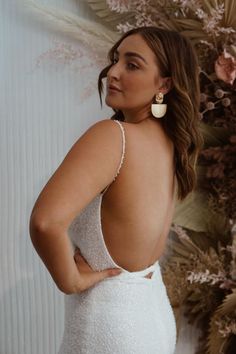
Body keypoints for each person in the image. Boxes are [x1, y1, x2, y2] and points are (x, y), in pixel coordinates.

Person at [29, 26, 203, 354]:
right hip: (155, 317)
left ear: (164, 84)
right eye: (115, 60)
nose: (113, 72)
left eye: (132, 65)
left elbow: (45, 222)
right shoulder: (173, 147)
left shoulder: (113, 136)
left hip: (108, 326)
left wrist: (72, 281)